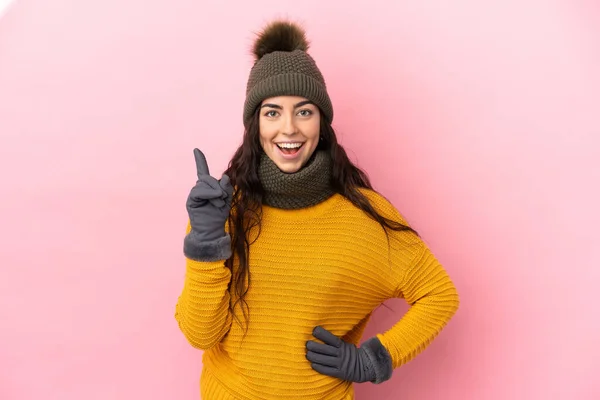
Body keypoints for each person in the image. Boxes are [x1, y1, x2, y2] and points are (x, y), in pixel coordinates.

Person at [174, 19, 460, 400]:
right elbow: (200, 335)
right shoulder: (225, 207)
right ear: (255, 124)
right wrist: (206, 242)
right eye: (272, 112)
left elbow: (439, 295)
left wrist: (372, 359)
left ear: (322, 122)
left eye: (304, 112)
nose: (288, 129)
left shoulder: (363, 216)